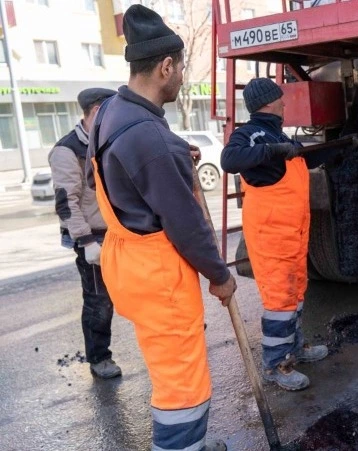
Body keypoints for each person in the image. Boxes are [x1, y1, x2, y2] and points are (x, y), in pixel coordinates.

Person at [86, 5, 235, 450]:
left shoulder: (111, 112)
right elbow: (187, 226)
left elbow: (129, 171)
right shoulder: (149, 138)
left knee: (167, 366)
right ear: (165, 66)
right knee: (181, 384)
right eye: (182, 68)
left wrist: (171, 155)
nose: (183, 77)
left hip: (129, 265)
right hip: (159, 279)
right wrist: (221, 277)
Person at [220, 77, 329, 392]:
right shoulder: (251, 134)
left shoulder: (275, 134)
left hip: (291, 234)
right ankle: (276, 365)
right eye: (280, 99)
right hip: (270, 235)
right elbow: (230, 159)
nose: (284, 103)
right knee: (280, 301)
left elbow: (297, 161)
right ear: (268, 102)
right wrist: (274, 149)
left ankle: (295, 349)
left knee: (294, 295)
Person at [48, 87, 121, 379]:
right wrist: (86, 241)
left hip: (118, 232)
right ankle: (99, 358)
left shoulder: (107, 140)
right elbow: (66, 203)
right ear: (96, 111)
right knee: (98, 300)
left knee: (137, 288)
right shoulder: (68, 150)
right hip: (92, 237)